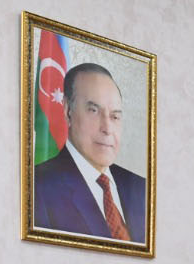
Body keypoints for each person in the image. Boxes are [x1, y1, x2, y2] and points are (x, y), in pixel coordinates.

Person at [33, 62, 147, 243]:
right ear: (68, 112)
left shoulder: (141, 189)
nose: (107, 128)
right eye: (93, 111)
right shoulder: (37, 187)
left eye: (115, 116)